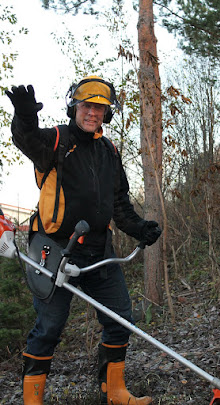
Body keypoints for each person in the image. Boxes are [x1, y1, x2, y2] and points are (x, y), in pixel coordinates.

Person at [6, 76, 161, 405]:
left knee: (120, 319)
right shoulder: (57, 140)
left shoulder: (109, 150)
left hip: (99, 251)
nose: (92, 112)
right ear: (75, 107)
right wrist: (24, 117)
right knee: (49, 328)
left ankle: (114, 392)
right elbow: (28, 140)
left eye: (100, 108)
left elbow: (119, 205)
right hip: (54, 252)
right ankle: (32, 401)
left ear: (107, 113)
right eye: (87, 105)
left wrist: (139, 228)